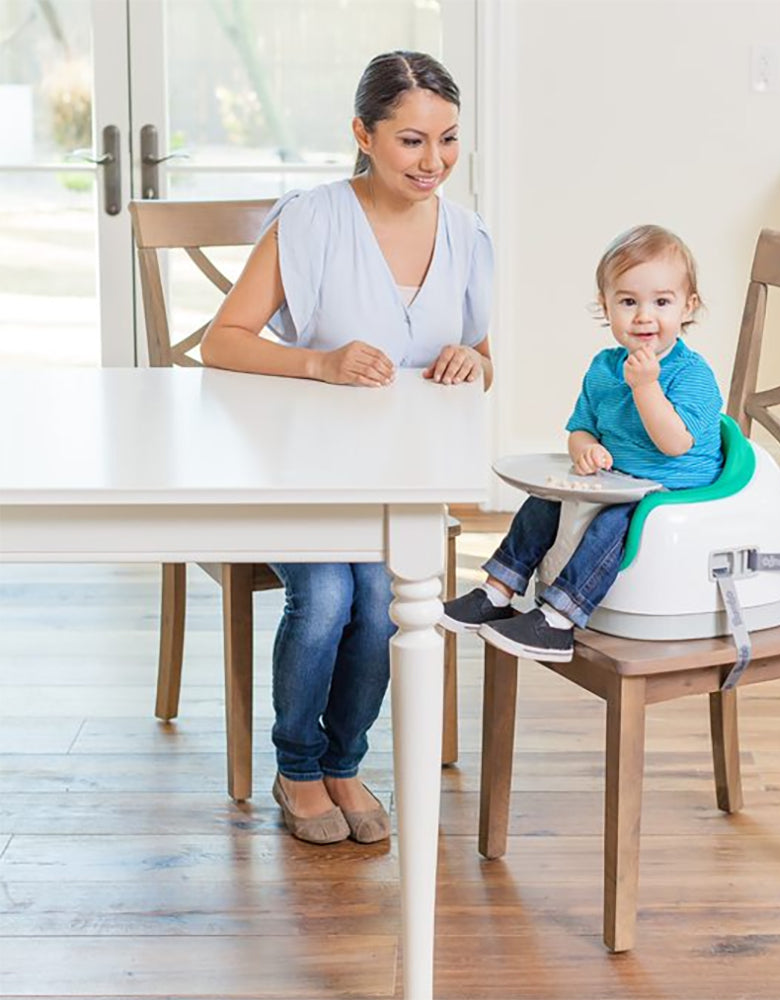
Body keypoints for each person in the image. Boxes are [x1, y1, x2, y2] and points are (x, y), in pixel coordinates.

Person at [200, 51, 493, 845]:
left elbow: (480, 353)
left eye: (449, 139)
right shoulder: (313, 219)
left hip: (397, 478)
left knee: (381, 602)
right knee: (328, 597)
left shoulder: (466, 235)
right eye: (410, 141)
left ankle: (344, 762)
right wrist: (318, 364)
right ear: (362, 134)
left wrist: (477, 360)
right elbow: (221, 343)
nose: (433, 162)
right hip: (297, 470)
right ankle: (297, 768)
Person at [440, 225, 721, 661]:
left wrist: (647, 387)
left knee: (613, 522)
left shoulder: (691, 374)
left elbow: (674, 444)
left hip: (670, 488)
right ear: (605, 307)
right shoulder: (604, 368)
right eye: (628, 302)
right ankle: (497, 591)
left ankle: (558, 619)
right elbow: (580, 427)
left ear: (689, 307)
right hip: (617, 478)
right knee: (543, 501)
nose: (645, 316)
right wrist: (585, 449)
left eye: (661, 302)